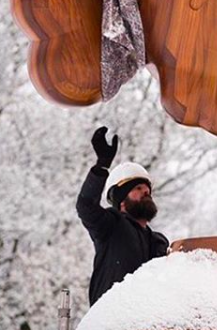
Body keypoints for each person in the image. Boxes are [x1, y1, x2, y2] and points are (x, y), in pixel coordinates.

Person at [76, 126, 169, 305]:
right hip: (111, 317)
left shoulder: (158, 242)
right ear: (122, 201)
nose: (146, 192)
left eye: (147, 189)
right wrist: (102, 165)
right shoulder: (111, 226)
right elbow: (86, 206)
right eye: (138, 188)